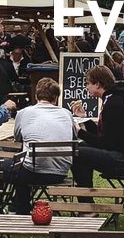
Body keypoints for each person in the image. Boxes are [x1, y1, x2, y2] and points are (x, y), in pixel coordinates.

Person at [71, 64, 124, 188]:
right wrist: (85, 119)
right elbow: (105, 133)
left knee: (77, 152)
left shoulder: (113, 104)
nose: (86, 87)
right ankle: (85, 197)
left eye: (88, 83)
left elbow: (106, 143)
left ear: (97, 84)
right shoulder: (116, 98)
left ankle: (85, 199)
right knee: (78, 147)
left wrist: (80, 132)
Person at [5, 76, 75, 211]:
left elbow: (18, 139)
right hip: (60, 173)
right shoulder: (67, 114)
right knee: (22, 166)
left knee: (9, 165)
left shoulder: (23, 113)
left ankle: (12, 205)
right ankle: (19, 204)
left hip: (33, 172)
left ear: (36, 95)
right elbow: (73, 137)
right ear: (56, 98)